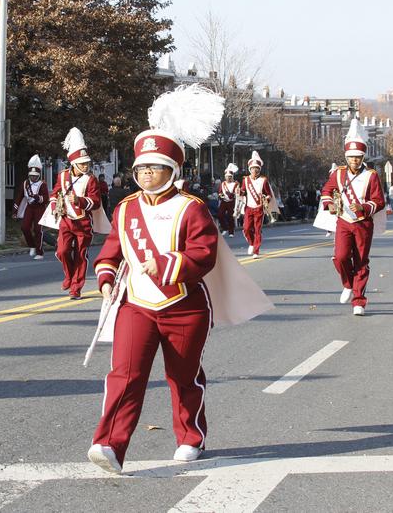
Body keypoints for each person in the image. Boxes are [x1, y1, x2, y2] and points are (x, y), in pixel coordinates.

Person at [87, 84, 272, 475]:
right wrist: (105, 277)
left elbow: (203, 254)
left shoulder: (191, 208)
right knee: (125, 374)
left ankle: (191, 436)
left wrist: (168, 264)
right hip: (136, 304)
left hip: (184, 306)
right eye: (140, 168)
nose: (145, 173)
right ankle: (110, 445)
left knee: (182, 376)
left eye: (153, 167)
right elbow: (112, 251)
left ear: (172, 170)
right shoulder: (125, 209)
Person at [319, 119, 386, 316]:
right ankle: (348, 284)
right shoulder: (338, 174)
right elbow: (327, 191)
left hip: (363, 223)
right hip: (344, 221)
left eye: (357, 157)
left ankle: (359, 301)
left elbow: (379, 201)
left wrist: (363, 207)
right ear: (346, 157)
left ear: (362, 156)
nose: (354, 160)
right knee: (340, 257)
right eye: (351, 157)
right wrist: (329, 204)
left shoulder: (372, 175)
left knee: (361, 262)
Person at [50, 127, 103, 299]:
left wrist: (79, 201)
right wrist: (54, 207)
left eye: (87, 163)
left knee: (81, 255)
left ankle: (76, 287)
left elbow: (95, 202)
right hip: (66, 220)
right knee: (62, 251)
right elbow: (55, 193)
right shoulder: (63, 176)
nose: (86, 166)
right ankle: (69, 276)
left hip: (83, 222)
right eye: (82, 163)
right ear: (74, 164)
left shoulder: (91, 180)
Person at [14, 155, 48, 259]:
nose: (33, 177)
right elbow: (19, 197)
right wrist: (14, 211)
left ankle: (39, 252)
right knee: (24, 227)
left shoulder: (42, 184)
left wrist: (38, 198)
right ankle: (32, 245)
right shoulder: (25, 183)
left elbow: (46, 198)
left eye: (35, 175)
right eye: (31, 175)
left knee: (38, 230)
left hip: (39, 209)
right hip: (29, 208)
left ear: (38, 175)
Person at [239, 151, 272, 258]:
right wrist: (239, 192)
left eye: (257, 168)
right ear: (250, 169)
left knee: (257, 230)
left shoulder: (264, 180)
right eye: (253, 168)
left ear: (259, 169)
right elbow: (243, 191)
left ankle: (256, 251)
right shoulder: (245, 180)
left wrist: (266, 199)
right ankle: (252, 243)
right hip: (249, 207)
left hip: (259, 208)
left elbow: (269, 194)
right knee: (246, 228)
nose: (255, 170)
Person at [217, 163, 239, 237]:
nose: (228, 178)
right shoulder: (223, 184)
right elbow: (220, 192)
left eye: (230, 177)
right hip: (224, 201)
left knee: (230, 217)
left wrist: (231, 194)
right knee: (220, 215)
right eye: (227, 177)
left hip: (231, 202)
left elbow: (236, 194)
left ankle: (231, 232)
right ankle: (225, 228)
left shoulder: (235, 184)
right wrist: (221, 195)